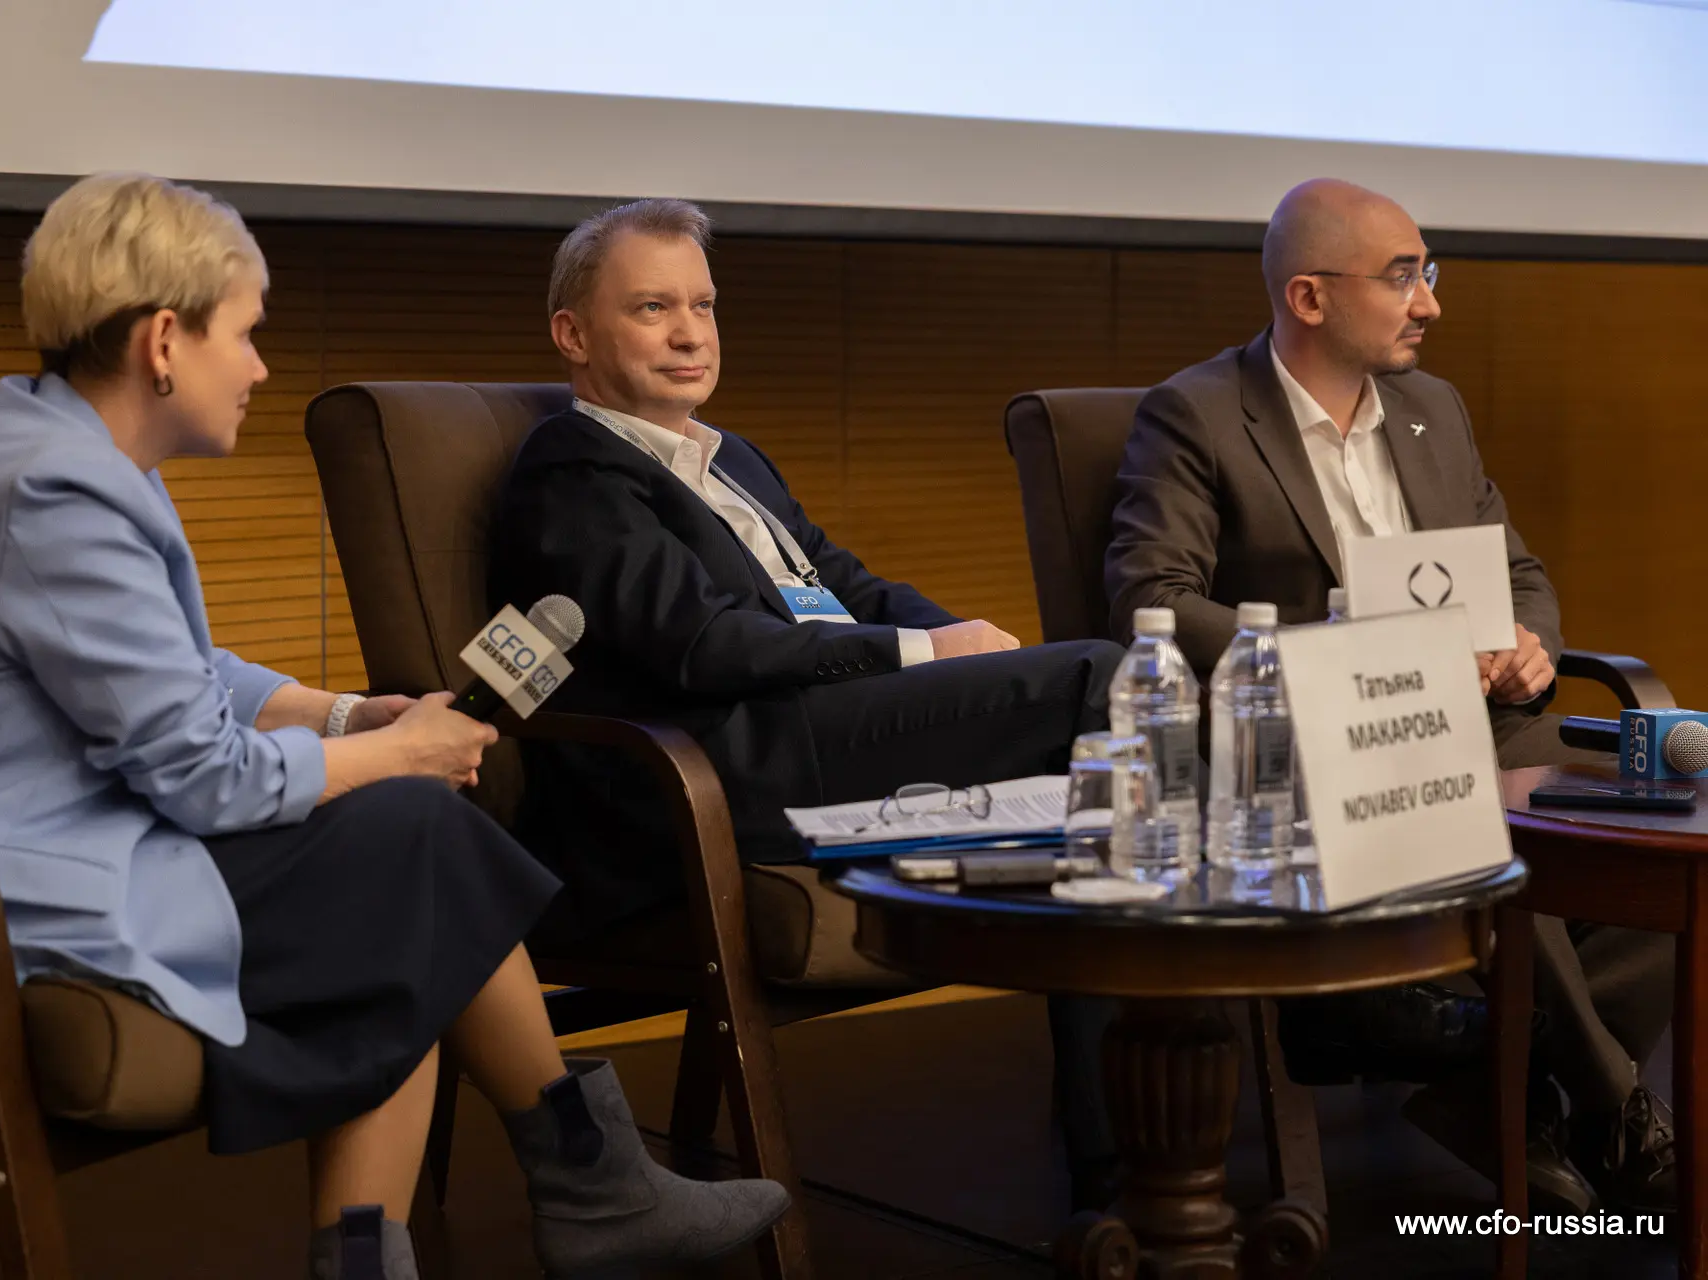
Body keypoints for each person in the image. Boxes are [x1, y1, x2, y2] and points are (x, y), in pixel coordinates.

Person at [0, 174, 788, 1280]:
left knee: (405, 872)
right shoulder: (57, 497)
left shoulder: (72, 456)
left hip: (51, 842)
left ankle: (520, 1206)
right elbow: (206, 778)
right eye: (246, 334)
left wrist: (345, 712)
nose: (261, 367)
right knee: (411, 847)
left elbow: (178, 672)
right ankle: (582, 1186)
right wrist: (398, 752)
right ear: (164, 342)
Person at [1103, 178, 1676, 1213]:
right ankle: (1616, 1114)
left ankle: (1490, 1088)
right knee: (1487, 817)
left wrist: (1532, 645)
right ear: (1310, 296)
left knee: (1659, 824)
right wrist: (1338, 654)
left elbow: (1517, 569)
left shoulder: (1432, 409)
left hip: (1477, 718)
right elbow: (1152, 597)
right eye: (1404, 276)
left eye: (1429, 272)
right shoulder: (1198, 414)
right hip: (1323, 738)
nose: (1431, 303)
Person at [487, 197, 1121, 936]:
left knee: (1079, 728)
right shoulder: (573, 468)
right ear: (573, 334)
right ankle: (1186, 982)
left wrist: (966, 645)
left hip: (820, 726)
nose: (691, 333)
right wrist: (924, 652)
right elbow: (702, 644)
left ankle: (1122, 986)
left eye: (703, 305)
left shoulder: (734, 458)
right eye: (652, 308)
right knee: (1096, 680)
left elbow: (845, 584)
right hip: (727, 766)